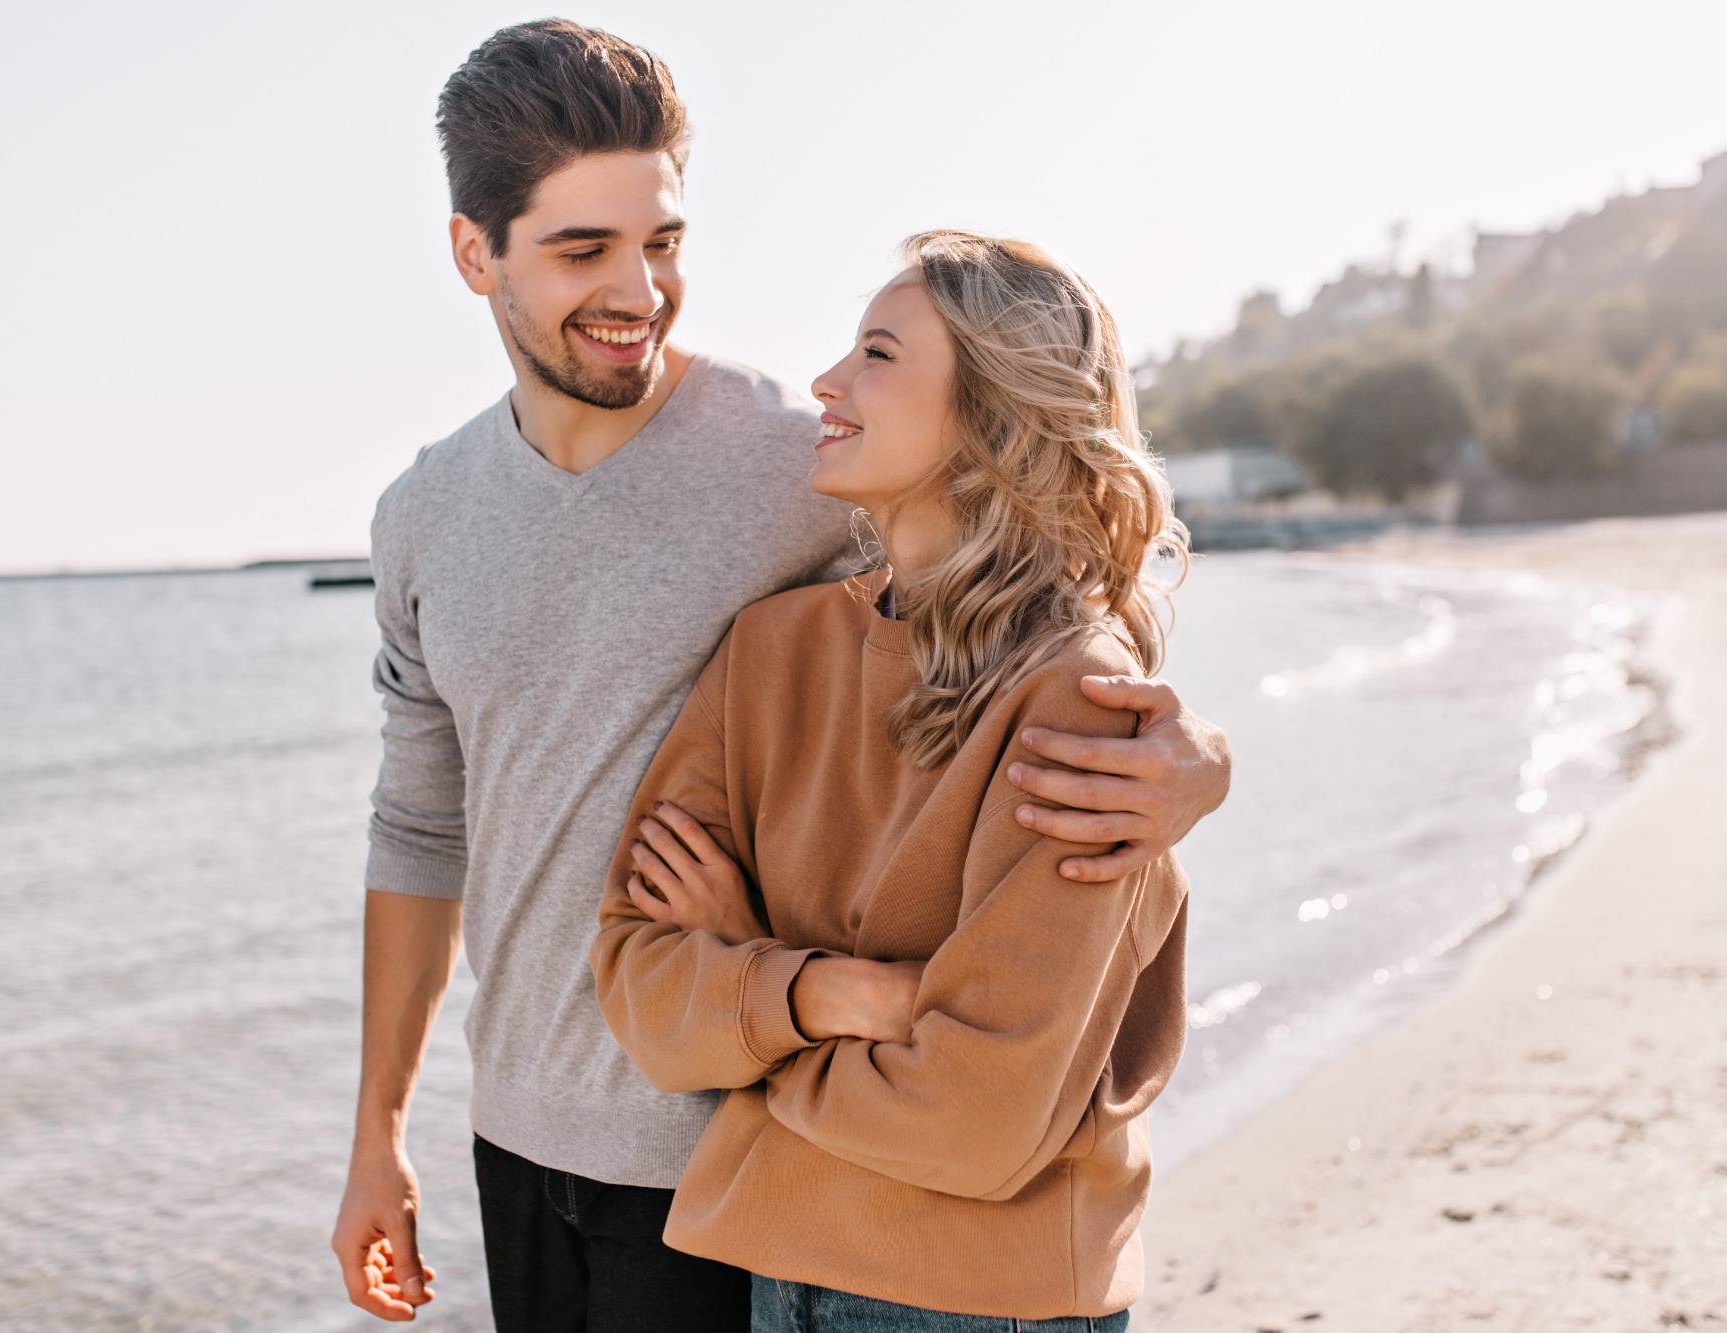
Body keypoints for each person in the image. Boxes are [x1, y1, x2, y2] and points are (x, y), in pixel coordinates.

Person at [330, 20, 1232, 1332]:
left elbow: (1029, 585)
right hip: (522, 1134)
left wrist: (1198, 763)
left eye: (665, 242)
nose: (638, 289)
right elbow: (419, 826)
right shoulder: (424, 514)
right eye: (583, 250)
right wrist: (378, 1137)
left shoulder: (789, 461)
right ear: (477, 254)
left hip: (736, 1156)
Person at [593, 231, 1188, 1331]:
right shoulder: (768, 651)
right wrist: (827, 992)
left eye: (876, 352)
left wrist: (751, 1004)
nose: (825, 381)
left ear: (991, 414)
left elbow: (972, 1117)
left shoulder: (1075, 702)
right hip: (774, 1272)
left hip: (984, 1301)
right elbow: (639, 987)